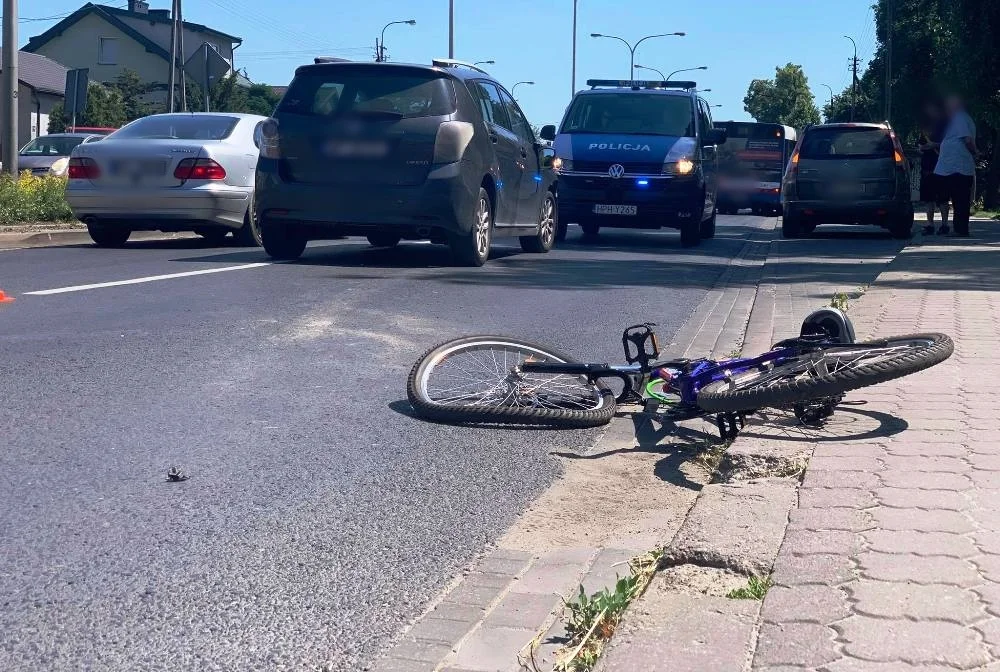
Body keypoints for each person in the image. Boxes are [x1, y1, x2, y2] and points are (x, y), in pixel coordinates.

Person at [933, 94, 978, 237]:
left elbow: (967, 139)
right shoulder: (958, 119)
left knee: (960, 199)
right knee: (957, 198)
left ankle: (960, 229)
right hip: (953, 167)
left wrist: (975, 151)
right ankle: (959, 228)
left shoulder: (959, 117)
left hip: (958, 168)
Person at [918, 100, 950, 235]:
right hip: (927, 169)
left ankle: (944, 224)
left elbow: (948, 144)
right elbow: (920, 146)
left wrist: (934, 145)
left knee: (943, 199)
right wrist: (924, 147)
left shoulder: (945, 127)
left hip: (941, 168)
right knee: (928, 199)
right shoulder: (925, 129)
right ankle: (930, 224)